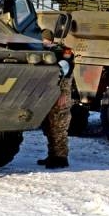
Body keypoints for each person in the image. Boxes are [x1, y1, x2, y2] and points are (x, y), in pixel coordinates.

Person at [38, 29, 74, 169]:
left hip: (59, 95)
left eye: (46, 40)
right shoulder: (41, 50)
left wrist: (63, 93)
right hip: (47, 94)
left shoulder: (62, 52)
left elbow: (66, 75)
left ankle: (61, 158)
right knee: (49, 126)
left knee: (59, 127)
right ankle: (52, 155)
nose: (44, 43)